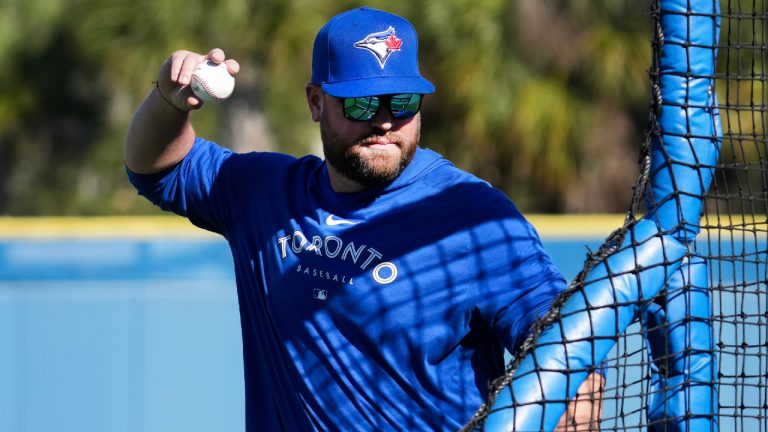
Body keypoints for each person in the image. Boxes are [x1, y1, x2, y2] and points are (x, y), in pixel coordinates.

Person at [125, 7, 602, 431]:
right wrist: (169, 99)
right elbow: (155, 166)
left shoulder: (473, 217)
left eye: (403, 102)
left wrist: (575, 406)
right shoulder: (264, 194)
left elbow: (571, 353)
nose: (384, 120)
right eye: (361, 103)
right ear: (316, 102)